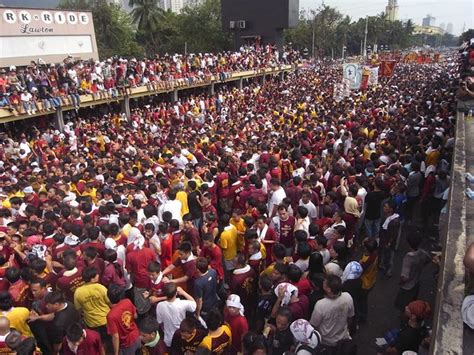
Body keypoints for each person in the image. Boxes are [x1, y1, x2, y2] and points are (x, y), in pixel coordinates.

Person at [310, 275, 354, 349]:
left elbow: (314, 325)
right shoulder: (347, 297)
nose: (323, 281)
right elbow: (350, 318)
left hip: (326, 342)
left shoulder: (321, 304)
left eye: (325, 282)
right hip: (343, 337)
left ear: (329, 289)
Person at [395, 233, 432, 312]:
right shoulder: (422, 253)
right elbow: (429, 259)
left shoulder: (409, 258)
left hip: (407, 286)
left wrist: (401, 282)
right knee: (412, 302)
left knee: (403, 306)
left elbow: (405, 276)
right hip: (416, 282)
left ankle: (404, 319)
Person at [73, 267, 110, 342]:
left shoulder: (78, 292)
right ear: (92, 279)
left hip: (91, 322)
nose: (98, 276)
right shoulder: (101, 288)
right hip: (105, 319)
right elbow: (109, 302)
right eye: (96, 275)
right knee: (108, 338)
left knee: (98, 340)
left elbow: (78, 310)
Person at [155, 282, 196, 348]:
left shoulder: (160, 306)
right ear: (176, 293)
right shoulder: (182, 304)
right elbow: (194, 305)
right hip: (182, 336)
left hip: (168, 338)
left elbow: (159, 322)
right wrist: (183, 292)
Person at [106, 284, 141, 355]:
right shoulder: (127, 301)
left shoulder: (111, 316)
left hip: (126, 343)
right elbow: (135, 316)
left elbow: (115, 336)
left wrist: (116, 353)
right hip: (136, 335)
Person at [194, 256, 219, 321]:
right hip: (214, 301)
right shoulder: (213, 272)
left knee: (207, 321)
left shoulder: (198, 283)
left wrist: (197, 313)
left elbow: (199, 300)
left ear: (198, 270)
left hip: (205, 307)